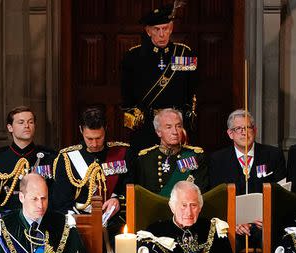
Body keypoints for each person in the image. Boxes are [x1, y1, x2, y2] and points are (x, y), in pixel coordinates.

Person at [121, 3, 197, 151]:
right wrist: (133, 118)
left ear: (171, 28)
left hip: (176, 123)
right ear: (148, 31)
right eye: (157, 29)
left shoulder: (184, 53)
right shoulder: (134, 56)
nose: (162, 34)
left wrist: (187, 118)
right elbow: (126, 94)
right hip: (147, 124)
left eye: (165, 28)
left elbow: (191, 88)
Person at [209, 109, 286, 250]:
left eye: (248, 128)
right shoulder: (217, 159)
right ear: (230, 134)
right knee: (221, 243)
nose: (244, 133)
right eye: (238, 129)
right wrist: (233, 223)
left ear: (254, 130)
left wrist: (268, 217)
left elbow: (282, 193)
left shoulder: (273, 155)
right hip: (232, 225)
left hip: (264, 224)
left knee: (279, 238)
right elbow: (215, 198)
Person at [51, 106, 135, 227]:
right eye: (89, 138)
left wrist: (118, 200)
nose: (94, 144)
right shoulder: (67, 158)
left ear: (105, 129)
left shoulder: (122, 153)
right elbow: (60, 201)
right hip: (79, 224)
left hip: (115, 222)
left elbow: (131, 187)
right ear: (81, 130)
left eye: (99, 138)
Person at [0, 106, 56, 214]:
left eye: (30, 122)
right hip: (6, 219)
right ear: (10, 127)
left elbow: (56, 196)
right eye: (21, 122)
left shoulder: (50, 158)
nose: (26, 126)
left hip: (42, 218)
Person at [136, 108, 207, 197]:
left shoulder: (195, 156)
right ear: (158, 132)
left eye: (178, 126)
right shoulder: (146, 158)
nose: (175, 132)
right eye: (168, 127)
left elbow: (201, 192)